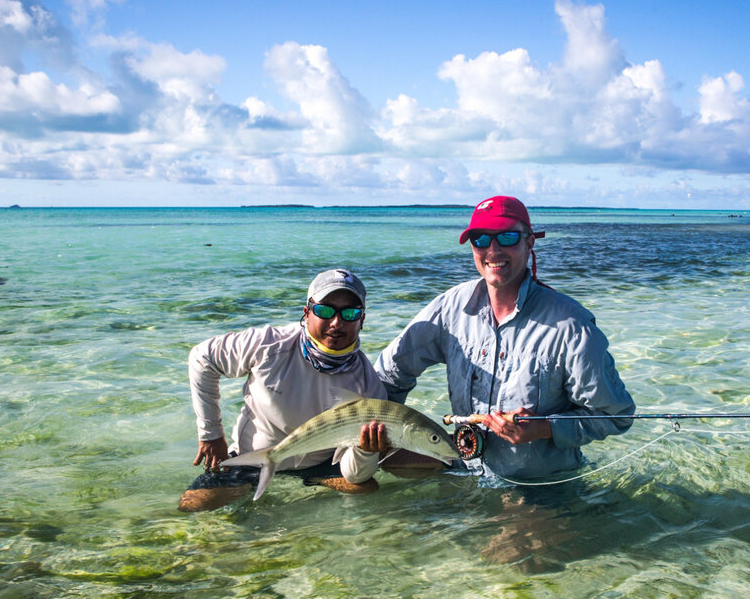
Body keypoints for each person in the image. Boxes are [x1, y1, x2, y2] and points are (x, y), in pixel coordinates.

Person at [375, 196, 635, 480]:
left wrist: (545, 427)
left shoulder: (571, 325)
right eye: (480, 239)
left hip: (539, 488)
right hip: (464, 471)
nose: (493, 250)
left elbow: (615, 414)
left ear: (529, 243)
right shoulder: (450, 307)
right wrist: (379, 432)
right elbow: (389, 375)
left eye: (508, 237)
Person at [179, 268, 391, 512]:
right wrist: (211, 435)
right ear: (307, 312)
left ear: (362, 320)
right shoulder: (268, 344)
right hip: (254, 460)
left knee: (364, 488)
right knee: (193, 506)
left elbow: (354, 475)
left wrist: (366, 452)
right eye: (325, 310)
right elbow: (201, 358)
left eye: (350, 313)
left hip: (319, 465)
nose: (336, 322)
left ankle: (311, 483)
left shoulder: (368, 384)